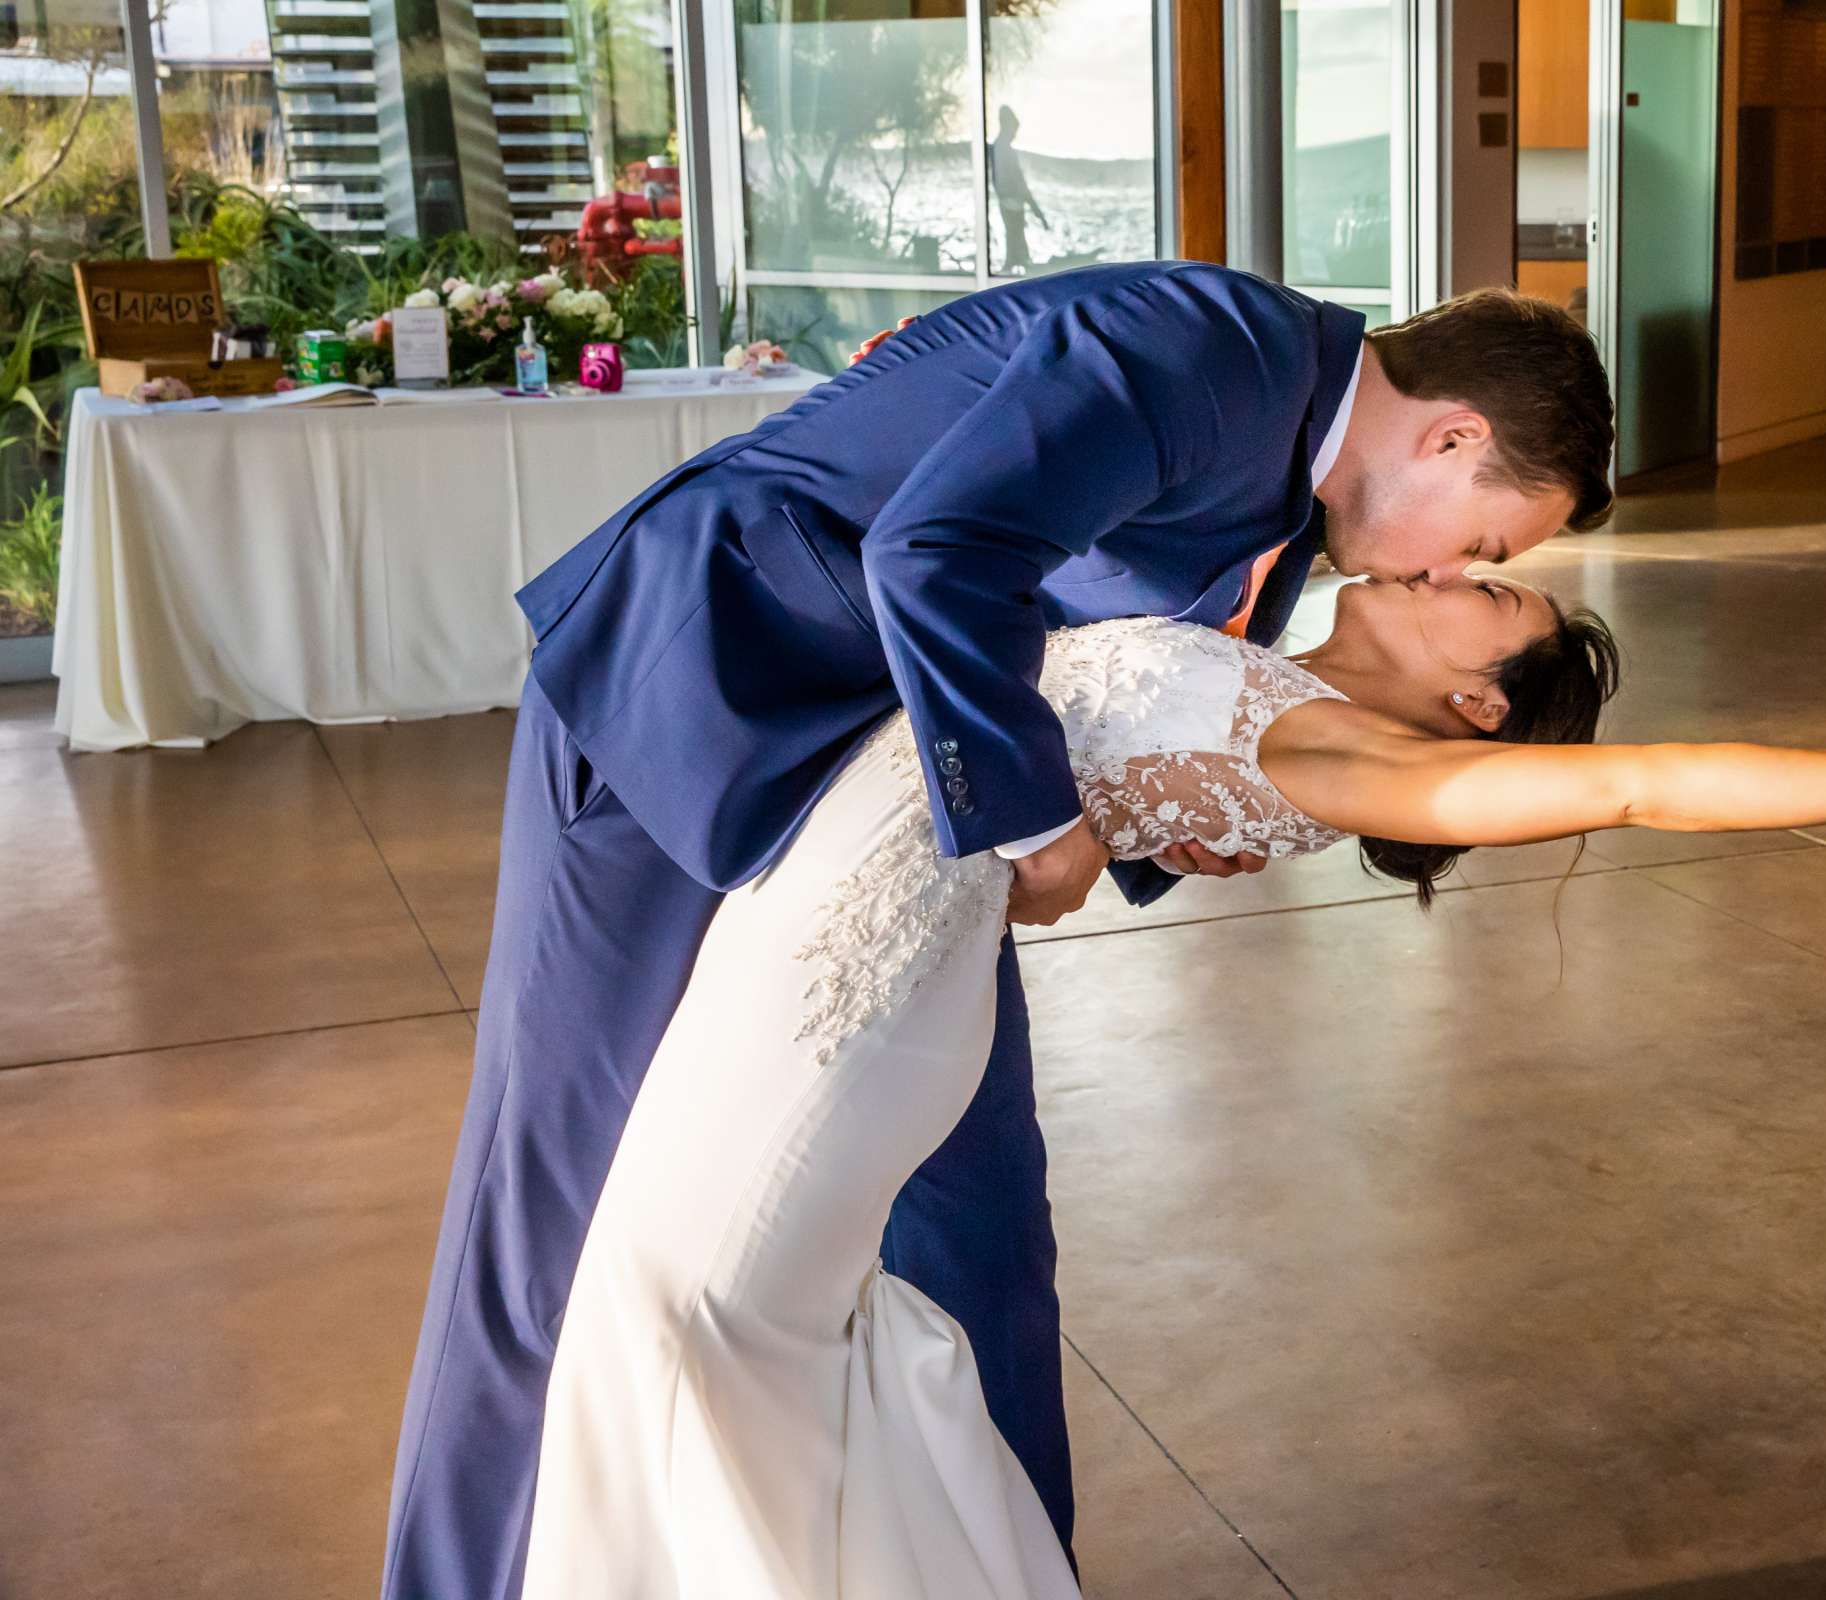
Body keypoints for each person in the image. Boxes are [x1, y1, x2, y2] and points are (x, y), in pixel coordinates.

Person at [516, 576, 1826, 1596]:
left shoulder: (1345, 754)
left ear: (1474, 707)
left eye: (1486, 594)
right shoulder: (1274, 679)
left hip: (841, 1000)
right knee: (713, 1331)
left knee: (684, 1322)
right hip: (834, 940)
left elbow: (1649, 785)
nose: (1453, 565)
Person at [381, 265, 1616, 1600]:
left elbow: (1093, 649)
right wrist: (1035, 822)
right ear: (1454, 439)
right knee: (552, 1216)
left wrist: (1153, 821)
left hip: (890, 818)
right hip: (686, 703)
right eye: (1489, 545)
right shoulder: (1215, 352)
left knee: (983, 1236)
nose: (1448, 568)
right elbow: (940, 548)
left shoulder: (1286, 484)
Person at [990, 105, 1049, 274]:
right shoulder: (1002, 149)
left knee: (1015, 239)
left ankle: (1017, 264)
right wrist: (1028, 204)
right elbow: (1012, 180)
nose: (1015, 133)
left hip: (1012, 201)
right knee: (1015, 239)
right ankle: (1015, 266)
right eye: (1014, 129)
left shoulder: (1001, 148)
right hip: (1011, 202)